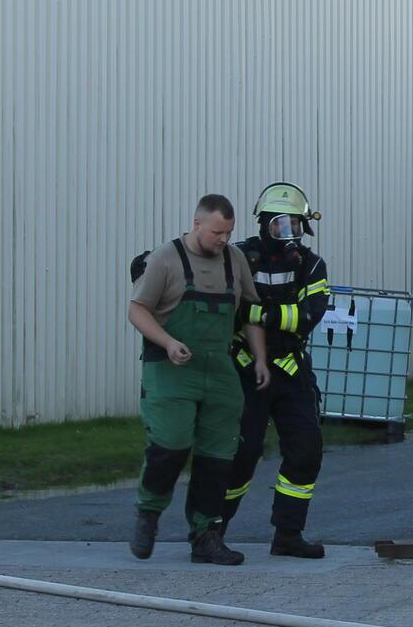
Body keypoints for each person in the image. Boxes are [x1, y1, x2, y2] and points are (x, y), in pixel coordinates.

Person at [127, 194, 270, 565]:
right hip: (170, 368)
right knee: (171, 443)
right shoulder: (165, 259)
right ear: (196, 224)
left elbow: (251, 312)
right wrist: (168, 341)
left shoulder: (235, 260)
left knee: (218, 454)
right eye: (216, 232)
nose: (223, 240)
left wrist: (261, 359)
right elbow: (137, 310)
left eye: (228, 233)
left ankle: (206, 535)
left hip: (218, 369)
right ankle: (148, 514)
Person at [223, 183, 332, 559]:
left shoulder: (312, 264)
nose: (290, 236)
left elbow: (309, 315)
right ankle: (211, 532)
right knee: (240, 453)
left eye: (296, 227)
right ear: (264, 224)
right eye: (281, 227)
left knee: (306, 449)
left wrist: (262, 314)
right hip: (244, 370)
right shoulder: (238, 257)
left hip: (290, 367)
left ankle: (288, 534)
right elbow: (227, 304)